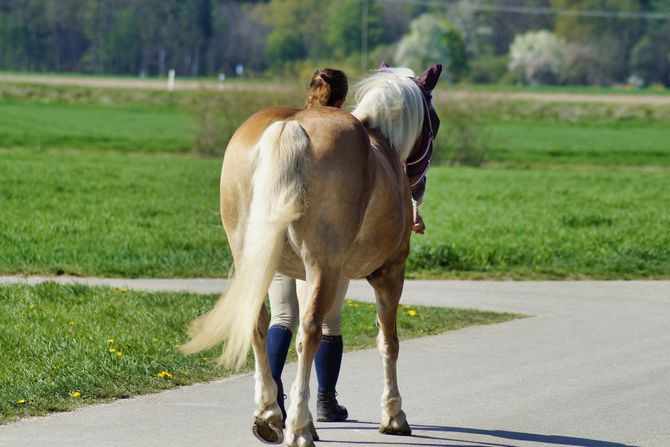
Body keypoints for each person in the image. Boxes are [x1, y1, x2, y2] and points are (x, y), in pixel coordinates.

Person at [266, 68, 350, 424]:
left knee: (283, 315)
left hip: (277, 231)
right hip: (322, 238)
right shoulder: (344, 133)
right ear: (342, 100)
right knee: (328, 321)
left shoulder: (288, 127)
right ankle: (325, 401)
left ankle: (274, 398)